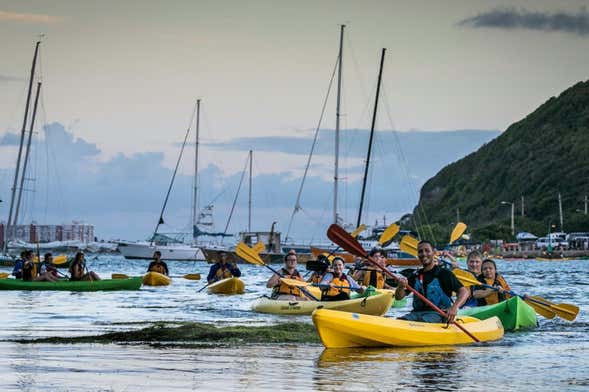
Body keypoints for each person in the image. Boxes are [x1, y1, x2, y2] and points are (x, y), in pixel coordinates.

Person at [395, 240, 469, 323]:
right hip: (416, 314)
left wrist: (454, 307)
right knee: (399, 321)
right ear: (418, 255)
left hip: (439, 314)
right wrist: (400, 287)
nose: (423, 254)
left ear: (434, 253)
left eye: (427, 250)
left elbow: (464, 292)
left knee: (422, 321)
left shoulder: (444, 274)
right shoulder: (415, 275)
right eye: (420, 252)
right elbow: (398, 297)